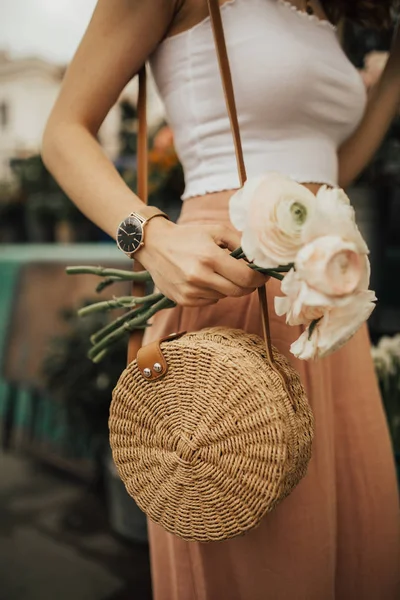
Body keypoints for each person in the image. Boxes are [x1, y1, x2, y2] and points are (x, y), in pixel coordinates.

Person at [42, 1, 400, 598]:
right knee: (269, 565)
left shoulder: (327, 9)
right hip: (233, 287)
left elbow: (331, 167)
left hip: (329, 305)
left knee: (358, 544)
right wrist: (149, 237)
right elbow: (62, 131)